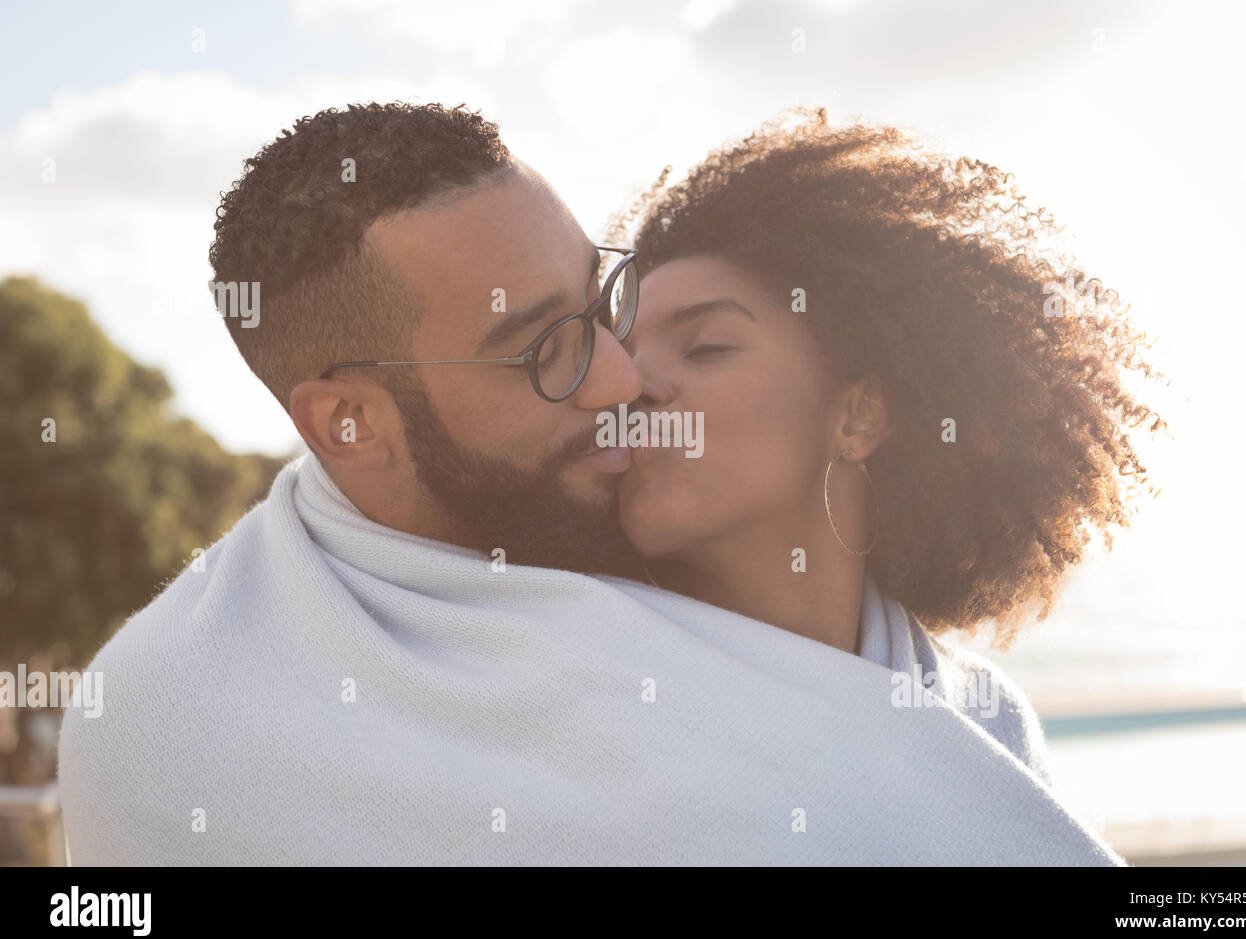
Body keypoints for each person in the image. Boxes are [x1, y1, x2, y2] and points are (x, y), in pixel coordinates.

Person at [57, 102, 1124, 866]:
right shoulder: (175, 715)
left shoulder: (935, 701)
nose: (622, 379)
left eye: (596, 301)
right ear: (350, 421)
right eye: (541, 348)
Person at [613, 107, 1166, 785]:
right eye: (617, 354)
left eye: (705, 348)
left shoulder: (987, 730)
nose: (630, 384)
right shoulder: (569, 682)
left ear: (859, 416)